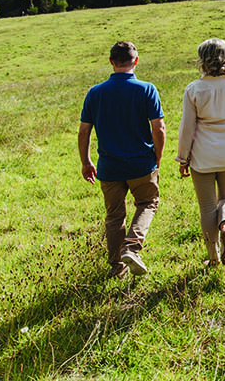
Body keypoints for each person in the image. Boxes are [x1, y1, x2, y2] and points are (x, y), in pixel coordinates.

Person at [78, 41, 166, 278]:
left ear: (111, 62)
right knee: (147, 203)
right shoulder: (146, 89)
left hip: (109, 167)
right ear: (135, 61)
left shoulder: (95, 93)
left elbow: (84, 131)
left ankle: (118, 268)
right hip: (141, 164)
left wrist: (86, 162)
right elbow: (159, 128)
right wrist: (157, 156)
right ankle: (132, 246)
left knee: (115, 216)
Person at [176, 38, 225, 267]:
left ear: (202, 61)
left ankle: (214, 257)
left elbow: (187, 128)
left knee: (207, 207)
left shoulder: (194, 90)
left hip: (202, 156)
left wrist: (183, 158)